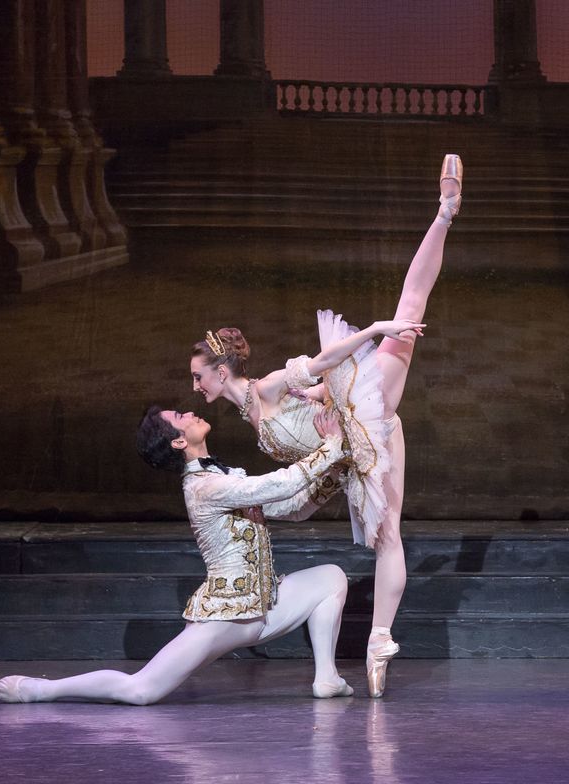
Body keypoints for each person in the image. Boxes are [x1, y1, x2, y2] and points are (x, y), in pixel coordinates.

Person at [188, 154, 463, 697]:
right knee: (388, 538)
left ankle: (446, 210)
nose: (196, 388)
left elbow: (321, 363)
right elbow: (306, 429)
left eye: (200, 378)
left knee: (407, 310)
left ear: (223, 373)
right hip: (354, 449)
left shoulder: (262, 387)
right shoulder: (252, 414)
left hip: (358, 414)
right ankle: (380, 640)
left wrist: (376, 331)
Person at [0, 405, 354, 706]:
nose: (192, 412)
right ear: (179, 441)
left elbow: (290, 505)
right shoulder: (204, 487)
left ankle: (327, 677)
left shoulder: (222, 475)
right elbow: (280, 484)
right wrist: (330, 446)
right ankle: (42, 689)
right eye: (182, 416)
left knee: (331, 577)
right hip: (227, 618)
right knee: (141, 690)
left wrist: (336, 470)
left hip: (264, 606)